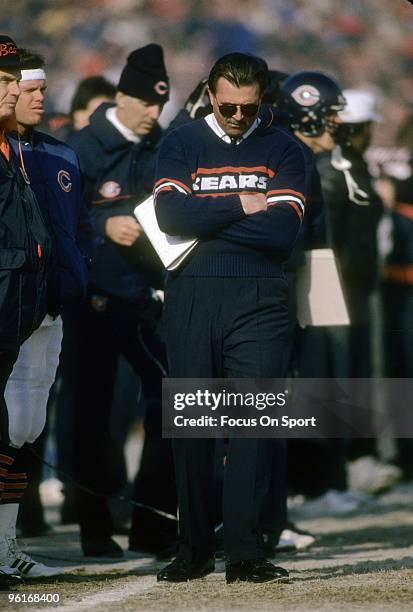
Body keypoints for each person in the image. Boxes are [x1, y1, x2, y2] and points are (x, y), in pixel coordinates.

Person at [155, 52, 307, 584]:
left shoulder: (286, 148)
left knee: (252, 425)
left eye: (247, 107)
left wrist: (207, 219)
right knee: (194, 424)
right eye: (227, 106)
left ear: (263, 98)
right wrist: (246, 203)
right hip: (192, 295)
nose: (237, 116)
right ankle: (193, 548)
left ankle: (245, 551)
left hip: (261, 297)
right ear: (210, 94)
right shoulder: (181, 142)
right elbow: (168, 215)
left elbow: (282, 232)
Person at [67, 43, 176, 558]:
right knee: (92, 411)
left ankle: (153, 523)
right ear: (123, 97)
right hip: (95, 301)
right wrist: (102, 225)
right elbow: (59, 220)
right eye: (147, 104)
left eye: (161, 104)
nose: (154, 113)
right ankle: (94, 525)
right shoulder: (82, 149)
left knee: (169, 404)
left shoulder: (164, 146)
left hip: (149, 298)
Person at [0, 48, 93, 578]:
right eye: (23, 86)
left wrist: (79, 274)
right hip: (11, 305)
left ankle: (6, 544)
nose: (34, 96)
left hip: (51, 306)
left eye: (38, 87)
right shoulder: (7, 150)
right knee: (6, 425)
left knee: (27, 428)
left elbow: (79, 229)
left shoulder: (62, 155)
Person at [0, 36, 52, 583]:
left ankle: (3, 545)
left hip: (23, 309)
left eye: (18, 80)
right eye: (6, 81)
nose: (15, 91)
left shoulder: (22, 149)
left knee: (17, 428)